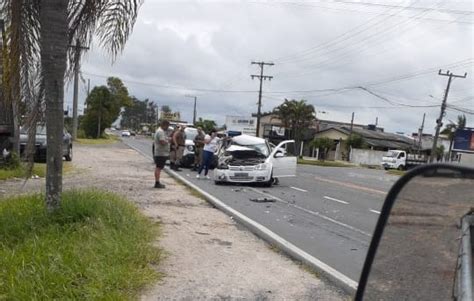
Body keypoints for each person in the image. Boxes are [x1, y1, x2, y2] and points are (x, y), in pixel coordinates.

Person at [153, 120, 171, 188]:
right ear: (164, 125)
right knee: (158, 168)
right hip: (160, 153)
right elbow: (162, 142)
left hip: (160, 152)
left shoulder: (160, 131)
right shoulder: (160, 132)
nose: (167, 128)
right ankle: (157, 182)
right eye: (167, 126)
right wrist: (168, 141)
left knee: (159, 167)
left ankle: (157, 182)